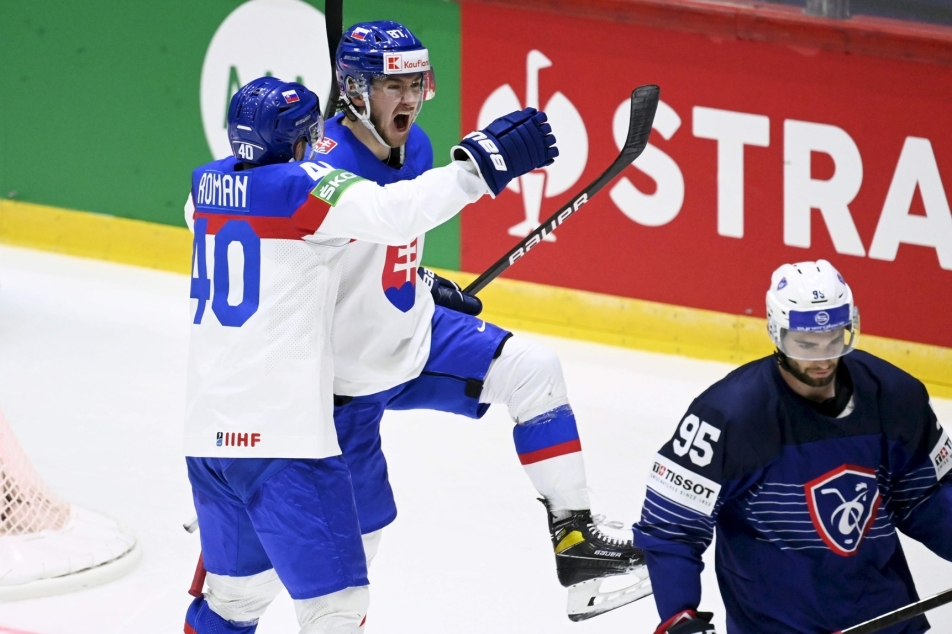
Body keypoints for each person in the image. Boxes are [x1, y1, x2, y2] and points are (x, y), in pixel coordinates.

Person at [182, 76, 557, 633]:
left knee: (233, 602)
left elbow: (287, 256)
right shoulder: (300, 190)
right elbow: (394, 213)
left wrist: (420, 283)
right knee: (336, 610)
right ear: (304, 140)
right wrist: (477, 169)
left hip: (208, 437)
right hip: (284, 442)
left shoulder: (204, 186)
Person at [309, 20, 650, 621]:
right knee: (353, 565)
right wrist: (477, 175)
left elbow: (391, 241)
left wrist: (422, 286)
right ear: (356, 91)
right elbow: (378, 223)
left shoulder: (412, 145)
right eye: (395, 85)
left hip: (410, 337)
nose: (410, 98)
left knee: (533, 370)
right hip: (342, 383)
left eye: (417, 82)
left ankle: (579, 553)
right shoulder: (324, 165)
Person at [633, 259, 952, 634]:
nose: (823, 358)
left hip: (884, 619)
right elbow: (672, 525)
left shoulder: (895, 396)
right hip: (777, 626)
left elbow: (924, 496)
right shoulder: (728, 416)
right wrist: (678, 616)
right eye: (806, 343)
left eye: (834, 338)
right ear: (776, 331)